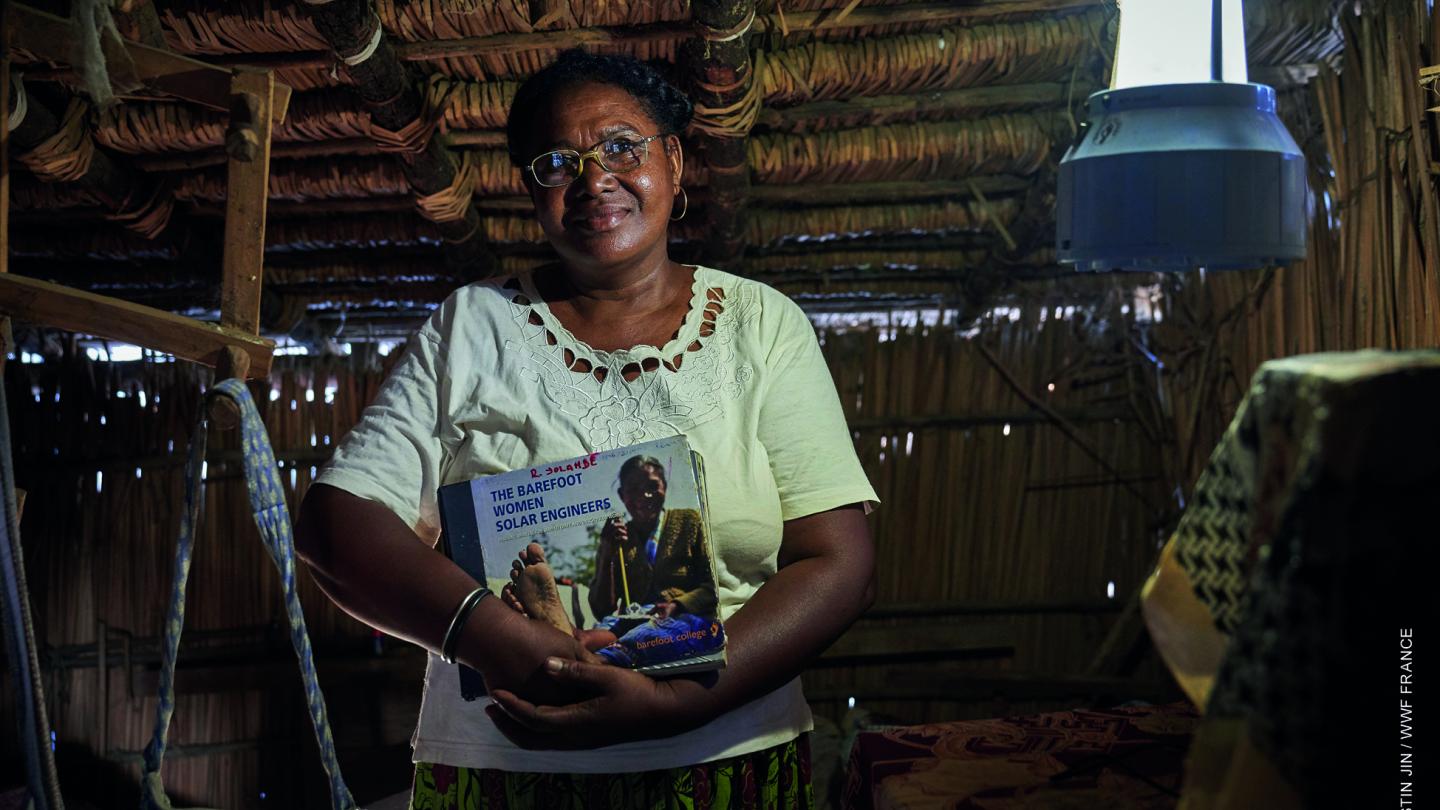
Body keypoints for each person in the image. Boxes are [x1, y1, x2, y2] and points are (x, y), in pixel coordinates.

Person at [295, 48, 878, 809]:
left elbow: (839, 563)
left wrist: (677, 703)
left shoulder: (760, 326)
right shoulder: (473, 326)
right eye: (556, 163)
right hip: (503, 771)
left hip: (728, 759)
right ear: (531, 190)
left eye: (621, 148)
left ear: (673, 163)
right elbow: (337, 523)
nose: (594, 179)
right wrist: (490, 634)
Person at [587, 454, 717, 621]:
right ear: (621, 495)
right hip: (633, 623)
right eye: (634, 489)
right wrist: (606, 555)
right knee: (591, 634)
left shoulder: (690, 522)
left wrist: (677, 605)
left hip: (685, 619)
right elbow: (601, 611)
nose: (645, 495)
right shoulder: (615, 540)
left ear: (665, 487)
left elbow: (714, 585)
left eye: (653, 486)